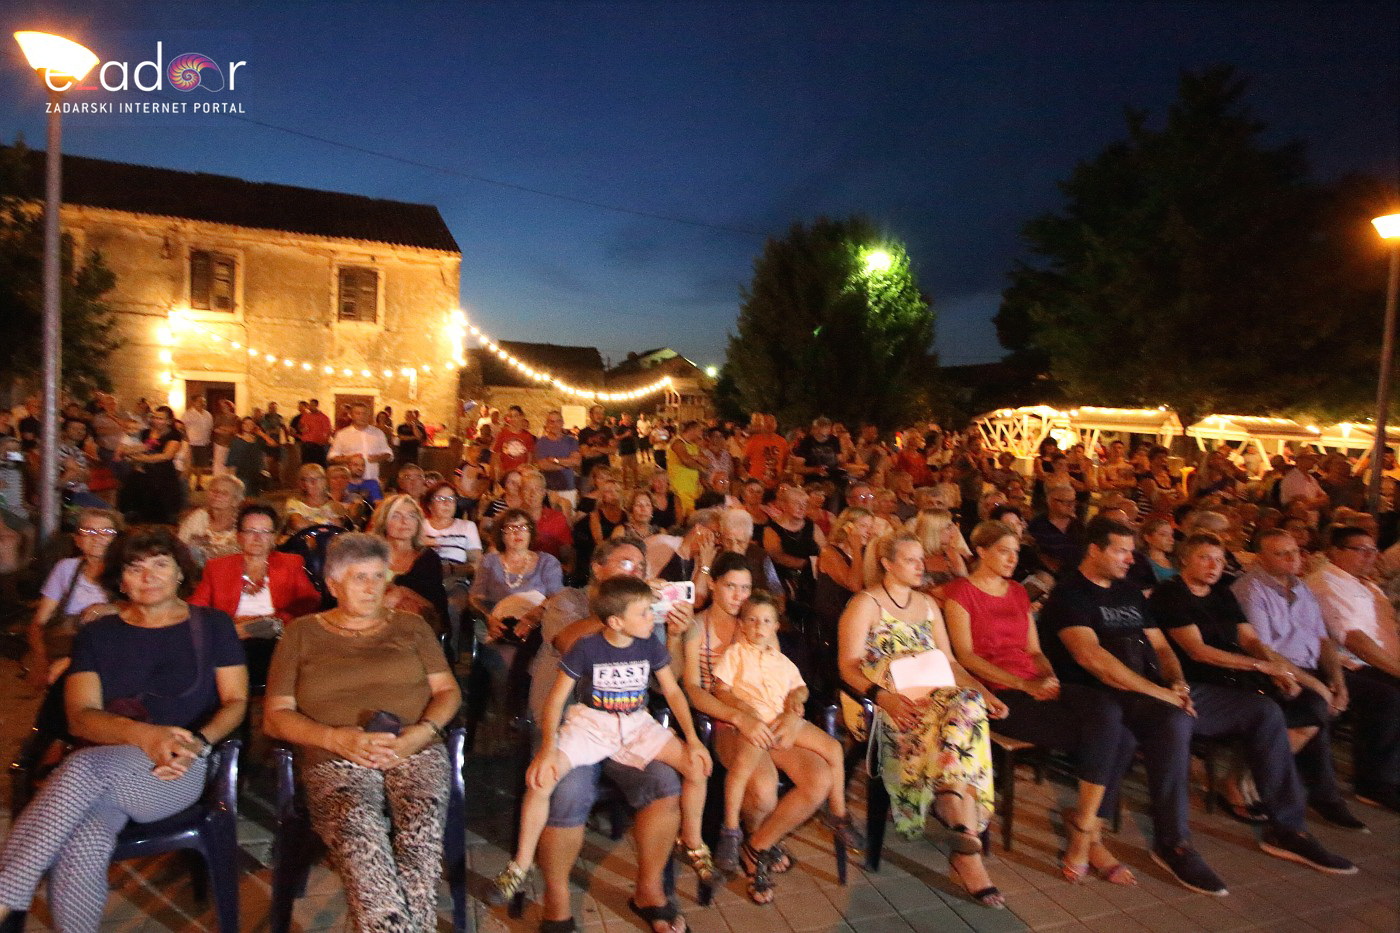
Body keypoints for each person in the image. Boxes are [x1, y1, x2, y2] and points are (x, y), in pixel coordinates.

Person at [0, 528, 247, 932]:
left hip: (179, 768)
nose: (148, 576)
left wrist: (198, 744)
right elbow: (81, 716)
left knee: (80, 769)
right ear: (120, 577)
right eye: (135, 567)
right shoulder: (98, 635)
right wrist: (146, 736)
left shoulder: (212, 625)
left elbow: (236, 702)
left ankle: (6, 896)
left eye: (160, 565)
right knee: (85, 836)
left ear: (181, 573)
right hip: (107, 764)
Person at [263, 533, 461, 932]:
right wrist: (338, 739)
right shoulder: (301, 634)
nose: (372, 588)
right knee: (359, 828)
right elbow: (275, 716)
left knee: (420, 831)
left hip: (414, 748)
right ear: (333, 585)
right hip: (333, 755)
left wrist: (418, 736)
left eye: (378, 576)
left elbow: (447, 691)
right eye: (359, 578)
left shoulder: (411, 627)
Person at [492, 576, 715, 928]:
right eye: (644, 612)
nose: (652, 617)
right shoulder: (587, 647)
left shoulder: (649, 645)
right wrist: (549, 748)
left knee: (696, 765)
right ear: (615, 621)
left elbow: (673, 693)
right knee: (542, 780)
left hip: (636, 724)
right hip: (592, 725)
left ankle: (693, 840)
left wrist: (693, 738)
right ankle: (520, 863)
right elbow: (555, 700)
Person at [946, 521, 1138, 886]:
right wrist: (1023, 683)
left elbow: (1033, 650)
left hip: (1034, 681)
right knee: (1119, 740)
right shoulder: (961, 593)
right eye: (1003, 551)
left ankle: (1084, 826)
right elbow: (966, 657)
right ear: (982, 551)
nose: (1011, 559)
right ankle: (1088, 838)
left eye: (1016, 553)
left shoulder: (1018, 592)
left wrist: (1046, 676)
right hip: (997, 692)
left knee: (1108, 711)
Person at [1150, 532, 1355, 872]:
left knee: (1299, 708)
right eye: (1204, 558)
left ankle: (1287, 826)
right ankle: (1195, 829)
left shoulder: (1222, 594)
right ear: (1184, 559)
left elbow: (1249, 638)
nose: (1214, 566)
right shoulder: (1171, 595)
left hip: (1236, 681)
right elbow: (1197, 650)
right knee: (1269, 711)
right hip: (1194, 684)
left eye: (1218, 559)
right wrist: (1264, 666)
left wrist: (1279, 670)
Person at [837, 532, 1007, 909]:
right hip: (886, 702)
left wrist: (985, 691)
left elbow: (949, 663)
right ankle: (965, 836)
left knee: (969, 704)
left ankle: (956, 814)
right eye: (912, 560)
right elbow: (847, 667)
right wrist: (884, 698)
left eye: (921, 560)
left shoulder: (929, 605)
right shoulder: (866, 604)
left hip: (933, 698)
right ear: (887, 563)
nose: (921, 567)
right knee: (962, 720)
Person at [712, 590, 862, 901]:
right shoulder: (735, 655)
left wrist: (796, 700)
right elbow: (720, 689)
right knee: (749, 775)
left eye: (766, 621)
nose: (758, 627)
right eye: (751, 621)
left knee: (833, 750)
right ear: (740, 625)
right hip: (752, 726)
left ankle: (837, 815)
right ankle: (732, 831)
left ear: (776, 626)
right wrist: (741, 708)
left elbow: (801, 688)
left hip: (782, 724)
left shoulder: (782, 661)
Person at [1232, 529, 1364, 828]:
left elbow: (1322, 640)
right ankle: (1315, 793)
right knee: (1314, 709)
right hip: (1273, 673)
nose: (1293, 559)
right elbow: (1265, 651)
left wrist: (1338, 682)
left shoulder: (1302, 589)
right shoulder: (1251, 589)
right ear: (1260, 558)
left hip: (1309, 668)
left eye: (1295, 551)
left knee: (1368, 693)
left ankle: (1272, 781)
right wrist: (1317, 685)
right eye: (1281, 553)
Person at [1306, 526, 1400, 812]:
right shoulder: (1327, 583)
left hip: (1378, 660)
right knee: (1389, 695)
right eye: (1360, 550)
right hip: (1343, 664)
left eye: (1372, 550)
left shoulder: (1365, 584)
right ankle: (1374, 782)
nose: (1369, 556)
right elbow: (1354, 639)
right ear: (1336, 552)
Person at [190, 504, 322, 686]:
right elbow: (197, 607)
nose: (258, 538)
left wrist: (273, 620)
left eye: (265, 532)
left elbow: (310, 601)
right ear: (239, 536)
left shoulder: (291, 563)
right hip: (231, 636)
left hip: (276, 636)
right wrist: (227, 627)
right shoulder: (217, 567)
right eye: (250, 530)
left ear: (274, 537)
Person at [25, 508, 121, 691]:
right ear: (77, 540)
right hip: (69, 647)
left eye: (107, 532)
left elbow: (144, 614)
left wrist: (111, 608)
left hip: (111, 652)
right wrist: (40, 659)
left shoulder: (128, 570)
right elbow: (39, 622)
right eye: (89, 531)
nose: (98, 537)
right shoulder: (66, 568)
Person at [810, 507, 873, 701]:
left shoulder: (865, 553)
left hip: (858, 617)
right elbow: (854, 585)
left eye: (871, 527)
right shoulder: (830, 552)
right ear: (848, 527)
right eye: (863, 526)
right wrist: (855, 547)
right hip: (834, 621)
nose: (868, 531)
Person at [367, 495, 451, 635]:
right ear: (384, 521)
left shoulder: (428, 558)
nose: (405, 522)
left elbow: (437, 607)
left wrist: (402, 592)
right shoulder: (368, 555)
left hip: (413, 631)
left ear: (418, 522)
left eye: (411, 516)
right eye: (396, 516)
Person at [120, 405, 185, 525]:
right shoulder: (146, 432)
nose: (156, 420)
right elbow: (138, 447)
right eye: (155, 417)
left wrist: (144, 458)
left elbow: (167, 455)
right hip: (142, 472)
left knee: (160, 511)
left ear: (169, 421)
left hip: (162, 475)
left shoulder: (174, 435)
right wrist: (131, 452)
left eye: (160, 418)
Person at [177, 474, 245, 566]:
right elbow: (178, 547)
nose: (217, 495)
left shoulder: (244, 523)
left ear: (236, 501)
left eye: (224, 493)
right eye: (214, 491)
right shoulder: (198, 517)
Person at [328, 402, 393, 484]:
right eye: (358, 413)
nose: (362, 416)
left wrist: (378, 458)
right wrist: (348, 459)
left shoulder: (378, 433)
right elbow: (332, 456)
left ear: (369, 415)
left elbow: (388, 453)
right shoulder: (342, 434)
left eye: (365, 413)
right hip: (349, 482)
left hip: (372, 480)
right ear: (351, 415)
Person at [1028, 486, 1085, 576]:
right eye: (1066, 502)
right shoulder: (1037, 525)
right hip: (1047, 576)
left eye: (1073, 501)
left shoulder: (1079, 526)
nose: (1072, 506)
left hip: (1075, 577)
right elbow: (1035, 556)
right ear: (1050, 502)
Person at [534, 410, 582, 510]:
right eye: (551, 422)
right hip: (548, 489)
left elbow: (576, 461)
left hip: (568, 488)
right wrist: (567, 464)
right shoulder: (541, 443)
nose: (555, 425)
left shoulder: (571, 441)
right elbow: (543, 465)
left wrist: (554, 460)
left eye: (558, 421)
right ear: (547, 424)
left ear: (562, 423)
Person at [283, 463, 350, 533]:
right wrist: (327, 523)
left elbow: (339, 526)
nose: (314, 483)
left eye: (318, 479)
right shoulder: (294, 503)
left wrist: (312, 523)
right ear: (303, 484)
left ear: (325, 481)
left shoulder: (334, 506)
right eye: (309, 480)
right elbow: (298, 524)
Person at [667, 421, 706, 521]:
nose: (702, 434)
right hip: (680, 489)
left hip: (694, 489)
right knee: (684, 518)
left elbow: (707, 463)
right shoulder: (677, 442)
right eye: (700, 430)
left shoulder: (694, 445)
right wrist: (700, 465)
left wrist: (695, 458)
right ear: (693, 430)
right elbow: (686, 461)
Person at [492, 405, 537, 481]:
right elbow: (496, 457)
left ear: (521, 416)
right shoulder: (502, 435)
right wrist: (497, 478)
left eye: (515, 416)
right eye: (510, 416)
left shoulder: (527, 436)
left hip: (521, 475)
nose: (513, 419)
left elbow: (530, 458)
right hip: (506, 474)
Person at [576, 404, 614, 492]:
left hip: (605, 473)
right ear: (590, 415)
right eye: (597, 413)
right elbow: (586, 454)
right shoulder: (583, 432)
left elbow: (613, 450)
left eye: (601, 413)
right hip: (588, 473)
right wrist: (605, 449)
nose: (599, 416)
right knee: (587, 500)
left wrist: (596, 449)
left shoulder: (607, 430)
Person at [180, 396, 213, 490]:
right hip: (191, 443)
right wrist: (186, 438)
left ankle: (198, 484)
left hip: (203, 443)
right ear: (193, 402)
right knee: (189, 465)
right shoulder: (188, 414)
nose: (203, 403)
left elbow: (210, 428)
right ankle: (187, 484)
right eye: (200, 401)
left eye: (204, 401)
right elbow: (181, 427)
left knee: (200, 465)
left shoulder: (208, 414)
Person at [296, 398, 333, 468]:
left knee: (319, 465)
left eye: (312, 405)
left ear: (316, 405)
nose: (310, 407)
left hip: (318, 445)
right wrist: (301, 428)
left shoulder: (324, 418)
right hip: (307, 444)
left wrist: (325, 441)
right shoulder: (305, 416)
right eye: (310, 405)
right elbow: (300, 427)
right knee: (306, 464)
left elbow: (328, 431)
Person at [210, 399, 238, 478]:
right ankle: (218, 479)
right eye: (222, 407)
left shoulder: (235, 418)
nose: (224, 408)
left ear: (230, 407)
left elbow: (236, 430)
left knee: (230, 463)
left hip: (231, 443)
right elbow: (215, 429)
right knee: (218, 463)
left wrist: (224, 428)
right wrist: (227, 430)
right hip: (220, 443)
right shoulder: (219, 417)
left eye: (225, 406)